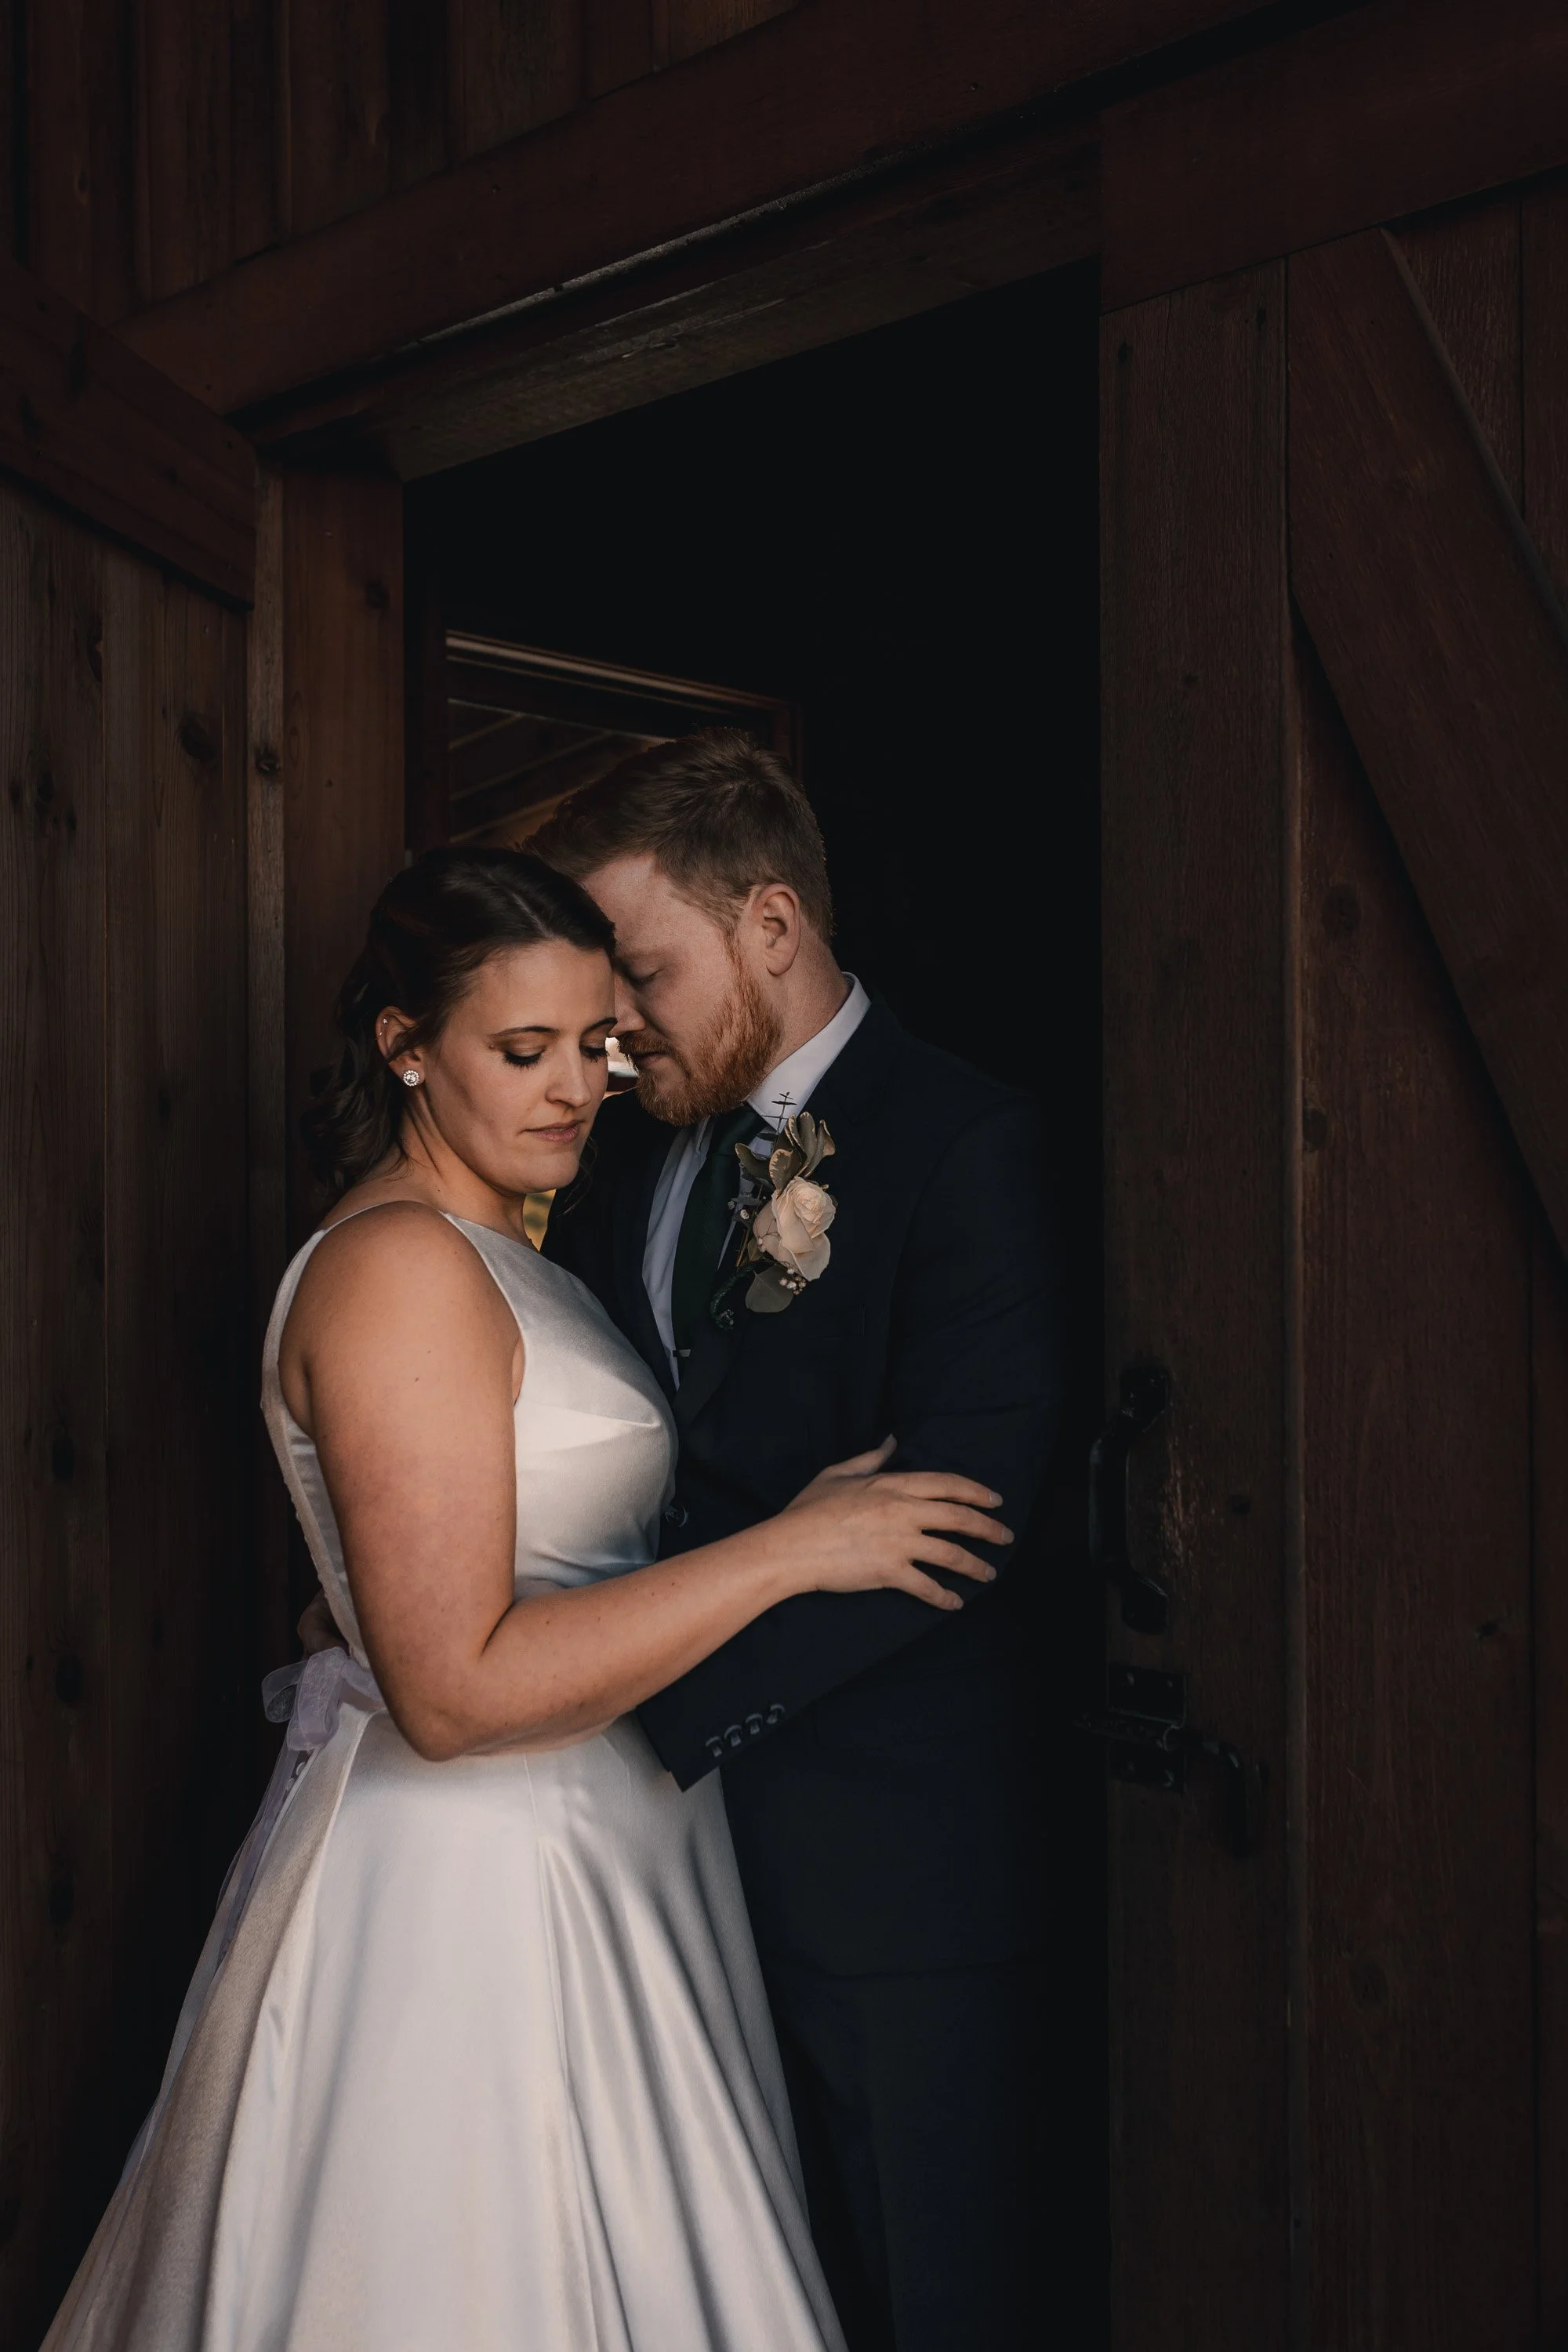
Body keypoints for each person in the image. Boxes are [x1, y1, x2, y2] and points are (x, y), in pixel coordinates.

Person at [42, 848, 1011, 2352]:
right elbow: (455, 1693)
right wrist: (793, 1550)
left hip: (611, 1836)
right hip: (485, 1885)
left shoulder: (514, 1247)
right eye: (522, 1050)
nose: (577, 1087)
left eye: (599, 1046)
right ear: (407, 1046)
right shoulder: (401, 1270)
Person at [530, 731, 1065, 2352]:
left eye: (641, 969)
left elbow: (957, 1516)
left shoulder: (964, 1142)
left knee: (918, 2289)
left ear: (771, 923)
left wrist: (639, 1717)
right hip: (658, 1869)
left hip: (885, 1877)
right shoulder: (624, 1158)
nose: (615, 1027)